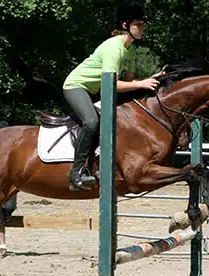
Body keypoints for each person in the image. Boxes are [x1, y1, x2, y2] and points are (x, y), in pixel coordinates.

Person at [63, 0, 164, 191]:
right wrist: (140, 83)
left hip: (97, 90)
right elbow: (110, 83)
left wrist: (150, 80)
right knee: (91, 121)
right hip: (76, 86)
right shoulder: (114, 47)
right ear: (125, 25)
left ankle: (100, 164)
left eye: (143, 25)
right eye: (138, 24)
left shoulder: (130, 50)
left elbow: (129, 84)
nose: (142, 28)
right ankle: (76, 173)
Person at [0, 121, 17, 258]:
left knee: (2, 212)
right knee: (0, 214)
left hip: (8, 188)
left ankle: (2, 246)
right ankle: (2, 246)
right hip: (2, 188)